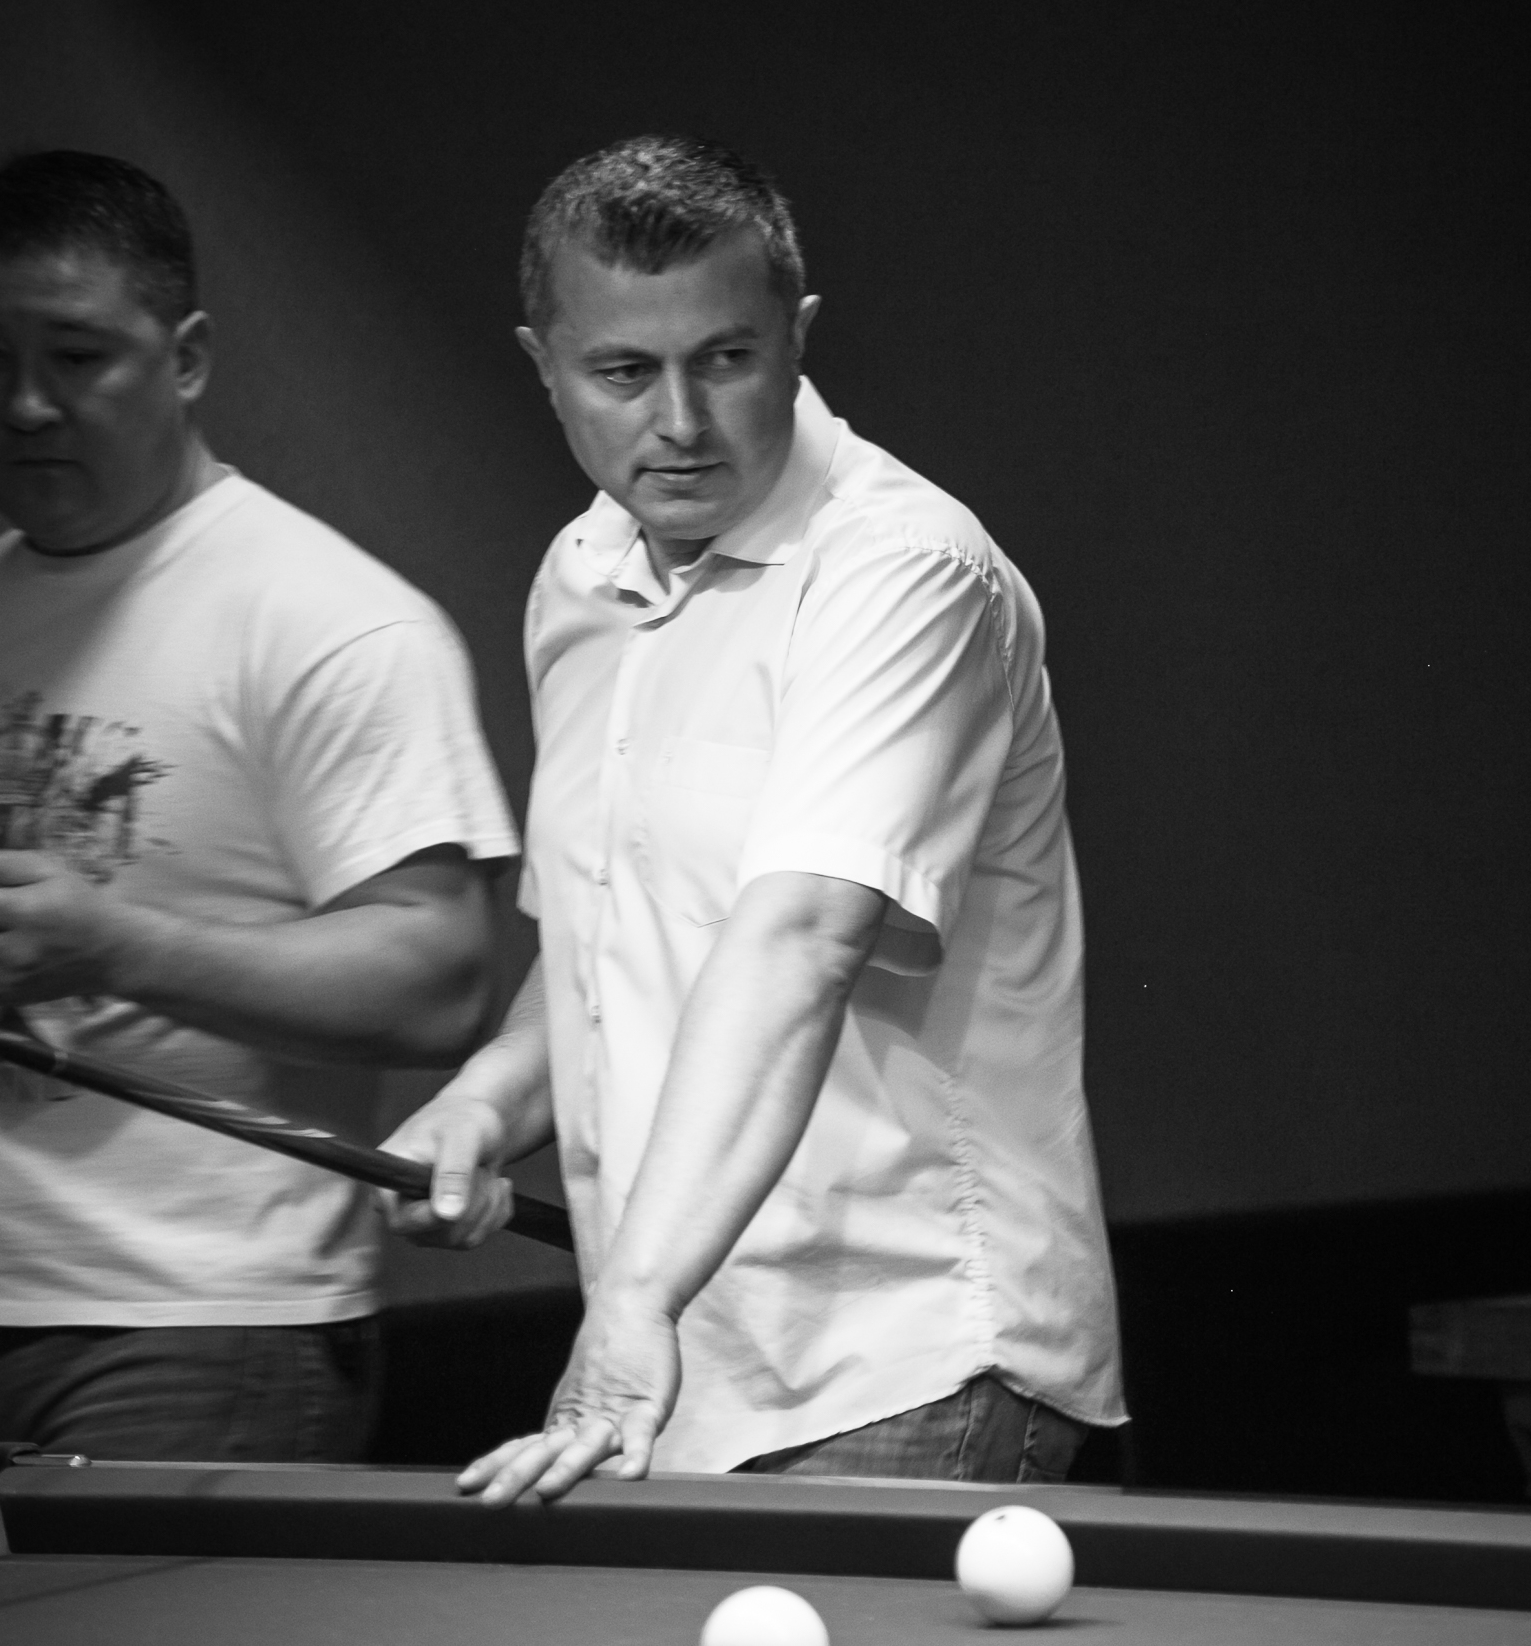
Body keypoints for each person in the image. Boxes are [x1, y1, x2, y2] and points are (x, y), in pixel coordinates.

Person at [0, 150, 519, 1462]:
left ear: (186, 359)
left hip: (213, 1322)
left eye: (77, 357)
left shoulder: (331, 621)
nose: (24, 404)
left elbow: (439, 977)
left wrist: (114, 946)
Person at [382, 136, 1124, 1503]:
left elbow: (804, 936)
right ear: (543, 365)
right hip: (682, 1374)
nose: (679, 421)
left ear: (799, 337)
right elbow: (608, 944)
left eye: (724, 359)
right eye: (623, 372)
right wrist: (484, 1101)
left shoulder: (903, 570)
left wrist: (635, 1298)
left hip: (902, 1362)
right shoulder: (579, 577)